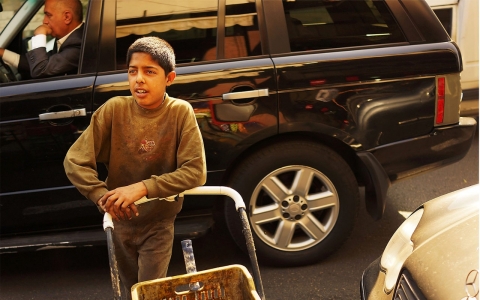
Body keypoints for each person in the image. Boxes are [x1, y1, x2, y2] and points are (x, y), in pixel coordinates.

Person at [63, 36, 207, 297]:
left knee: (149, 292)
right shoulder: (114, 109)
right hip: (119, 219)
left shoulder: (180, 112)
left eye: (149, 72)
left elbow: (195, 171)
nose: (139, 79)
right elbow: (75, 161)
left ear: (169, 78)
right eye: (133, 71)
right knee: (129, 291)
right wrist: (101, 196)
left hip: (159, 221)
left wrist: (142, 188)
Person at [0, 0, 84, 79]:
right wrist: (2, 52)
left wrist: (40, 35)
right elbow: (35, 63)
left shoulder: (80, 44)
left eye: (48, 15)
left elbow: (40, 70)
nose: (44, 21)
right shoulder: (67, 40)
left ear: (67, 17)